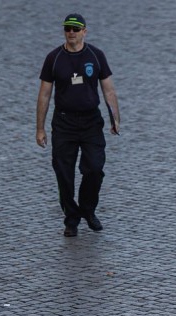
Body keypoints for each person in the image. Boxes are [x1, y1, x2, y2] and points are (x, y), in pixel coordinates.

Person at [36, 13, 120, 237]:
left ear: (84, 31)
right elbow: (44, 95)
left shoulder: (96, 56)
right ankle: (71, 220)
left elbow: (108, 90)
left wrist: (115, 119)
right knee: (64, 174)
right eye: (67, 29)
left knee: (94, 168)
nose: (71, 33)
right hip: (63, 123)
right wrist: (40, 128)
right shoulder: (53, 58)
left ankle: (88, 209)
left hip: (91, 121)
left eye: (75, 29)